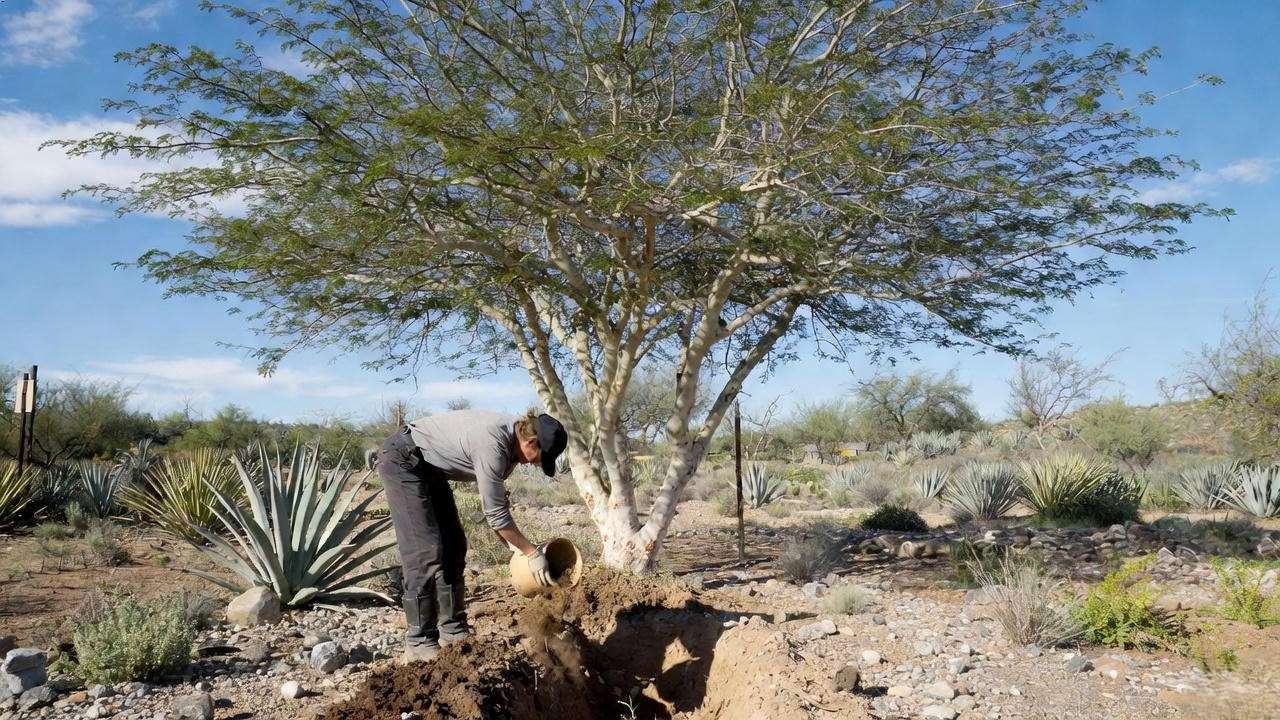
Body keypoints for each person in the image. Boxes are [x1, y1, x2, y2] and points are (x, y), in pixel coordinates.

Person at [376, 408, 568, 662]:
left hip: (431, 469)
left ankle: (452, 629)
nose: (534, 464)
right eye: (538, 458)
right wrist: (531, 552)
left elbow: (498, 509)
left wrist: (515, 549)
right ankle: (419, 640)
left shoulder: (511, 452)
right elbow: (495, 515)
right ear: (531, 442)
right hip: (403, 460)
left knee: (454, 546)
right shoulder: (493, 444)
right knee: (424, 551)